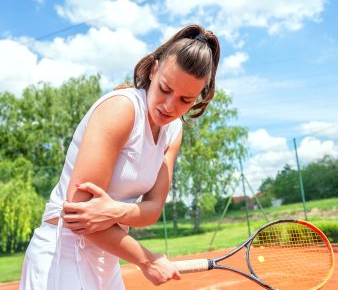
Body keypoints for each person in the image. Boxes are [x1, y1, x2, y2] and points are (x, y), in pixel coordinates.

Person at [19, 24, 220, 290]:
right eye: (165, 89)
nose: (170, 106)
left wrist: (115, 210)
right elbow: (79, 215)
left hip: (108, 260)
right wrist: (146, 260)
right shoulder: (121, 109)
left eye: (186, 99)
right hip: (62, 254)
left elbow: (153, 209)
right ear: (153, 69)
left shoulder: (173, 131)